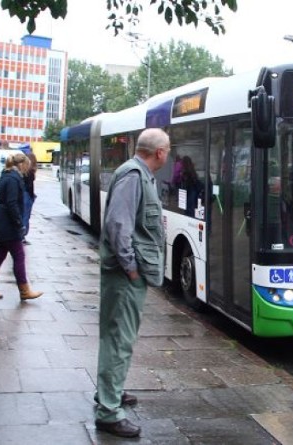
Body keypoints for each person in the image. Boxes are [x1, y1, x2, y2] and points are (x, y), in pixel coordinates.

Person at [94, 128, 170, 438]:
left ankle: (110, 392)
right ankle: (109, 411)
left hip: (126, 275)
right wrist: (131, 268)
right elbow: (117, 224)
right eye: (168, 150)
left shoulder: (140, 174)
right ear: (160, 153)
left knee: (116, 337)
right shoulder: (134, 176)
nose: (168, 155)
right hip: (125, 276)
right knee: (119, 340)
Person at [0, 153, 43, 301]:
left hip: (0, 222)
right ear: (22, 165)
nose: (27, 168)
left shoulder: (6, 175)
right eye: (27, 165)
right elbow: (12, 203)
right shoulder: (14, 179)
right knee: (19, 256)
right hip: (8, 225)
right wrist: (19, 224)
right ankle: (24, 290)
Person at [21, 152, 37, 244]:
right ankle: (22, 236)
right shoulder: (30, 172)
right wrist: (32, 196)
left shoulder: (24, 171)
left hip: (24, 194)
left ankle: (21, 235)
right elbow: (29, 186)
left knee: (23, 215)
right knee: (25, 216)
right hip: (27, 195)